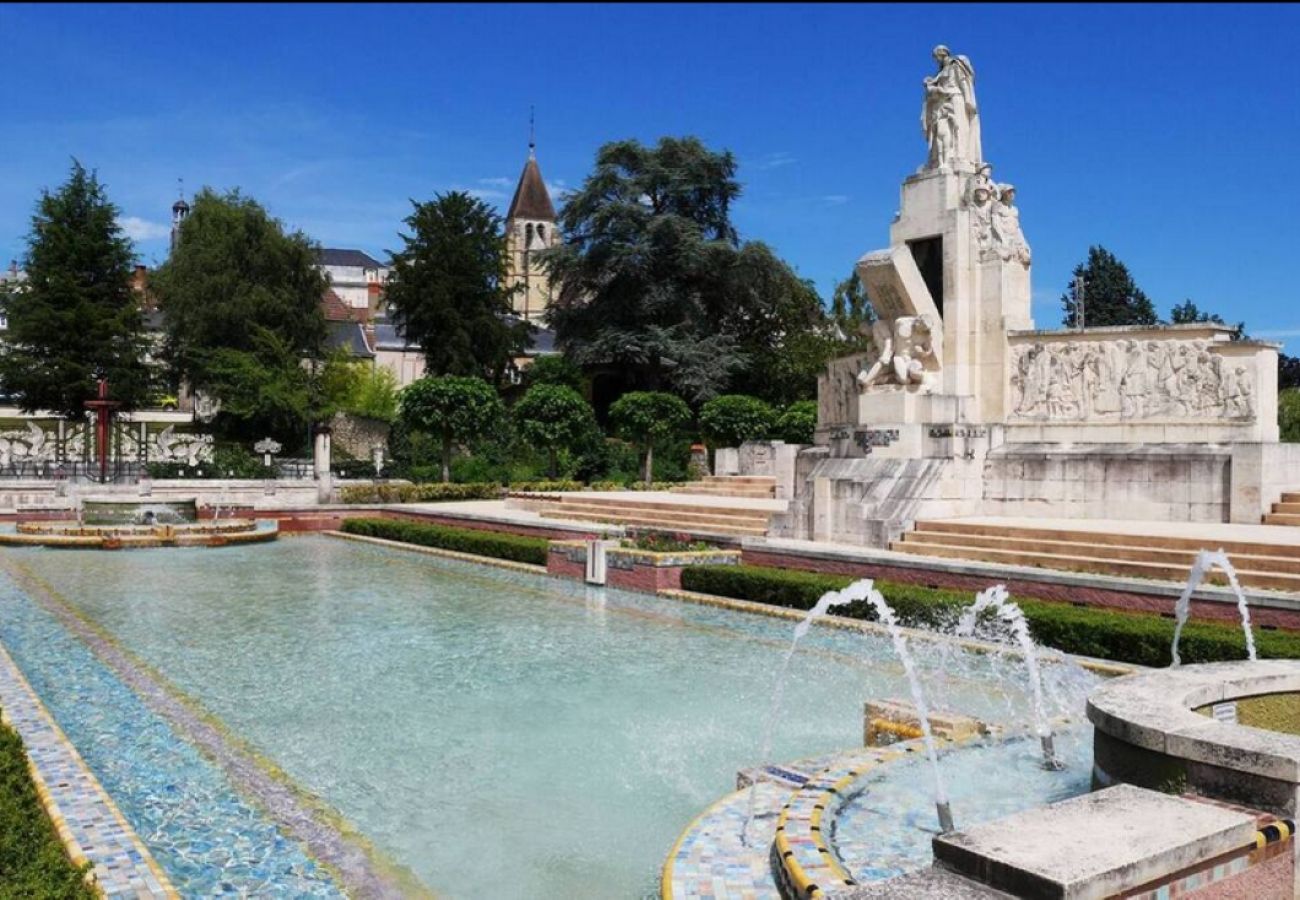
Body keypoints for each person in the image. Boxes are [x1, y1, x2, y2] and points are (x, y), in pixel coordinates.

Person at [922, 45, 982, 168]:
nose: (936, 60)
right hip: (942, 101)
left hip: (956, 97)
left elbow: (963, 82)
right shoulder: (940, 72)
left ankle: (959, 156)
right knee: (942, 131)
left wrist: (969, 100)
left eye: (936, 56)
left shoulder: (955, 65)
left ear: (942, 54)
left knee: (958, 127)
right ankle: (942, 159)